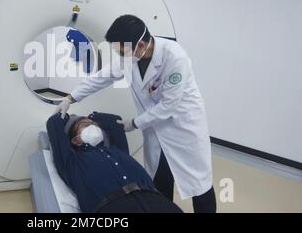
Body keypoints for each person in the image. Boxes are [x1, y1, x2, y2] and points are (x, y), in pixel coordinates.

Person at [54, 14, 216, 213]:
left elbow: (169, 106)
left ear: (140, 46)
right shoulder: (128, 56)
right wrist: (71, 97)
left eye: (122, 50)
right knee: (159, 177)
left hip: (182, 125)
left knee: (199, 184)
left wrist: (135, 123)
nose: (120, 55)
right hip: (155, 128)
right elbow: (102, 76)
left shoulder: (175, 58)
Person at [46, 112, 183, 213]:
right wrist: (65, 115)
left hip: (155, 200)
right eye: (86, 125)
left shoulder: (117, 150)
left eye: (94, 126)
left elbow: (115, 121)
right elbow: (53, 124)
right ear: (75, 140)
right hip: (113, 207)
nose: (92, 126)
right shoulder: (73, 162)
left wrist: (91, 117)